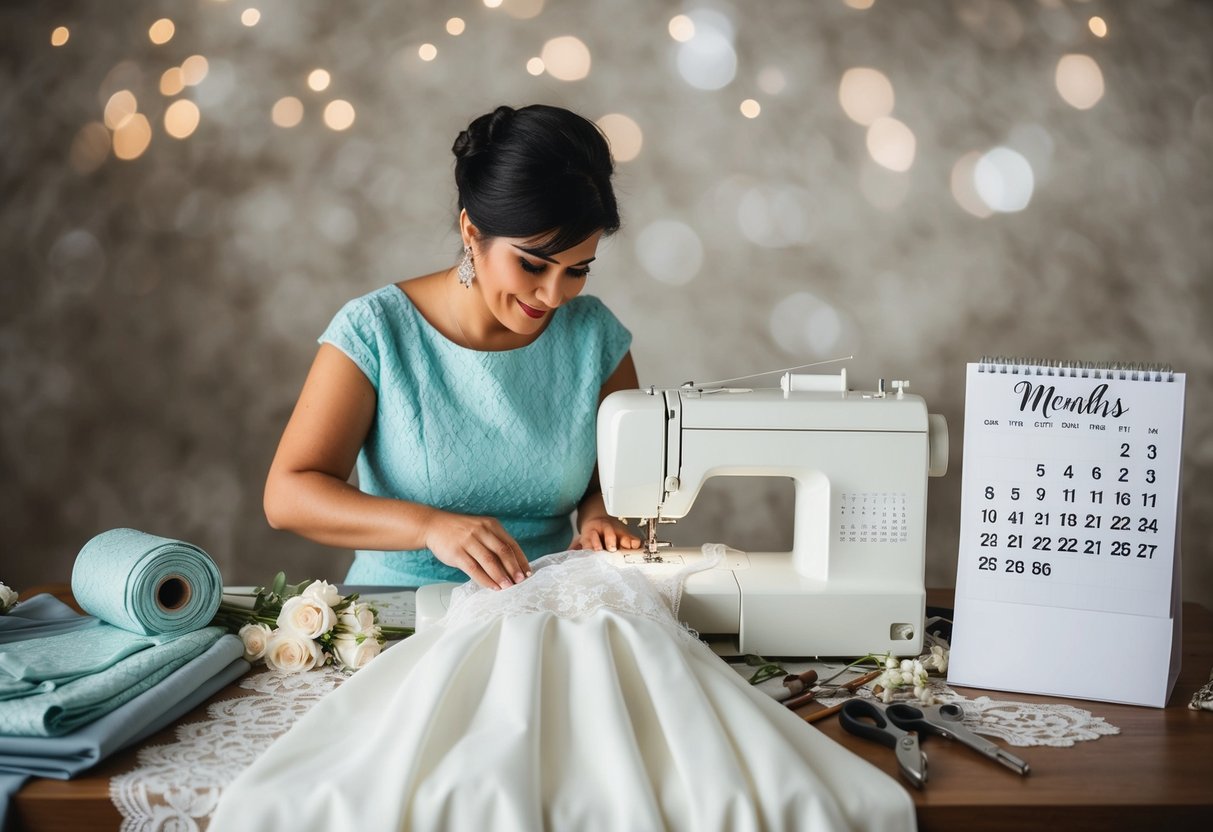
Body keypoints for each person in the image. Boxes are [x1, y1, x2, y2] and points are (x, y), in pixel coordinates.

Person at [263, 104, 643, 590]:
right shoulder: (376, 330)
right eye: (532, 265)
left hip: (543, 604)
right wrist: (429, 527)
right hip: (401, 613)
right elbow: (287, 495)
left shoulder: (594, 336)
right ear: (471, 231)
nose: (552, 296)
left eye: (577, 270)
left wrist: (600, 520)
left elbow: (605, 486)